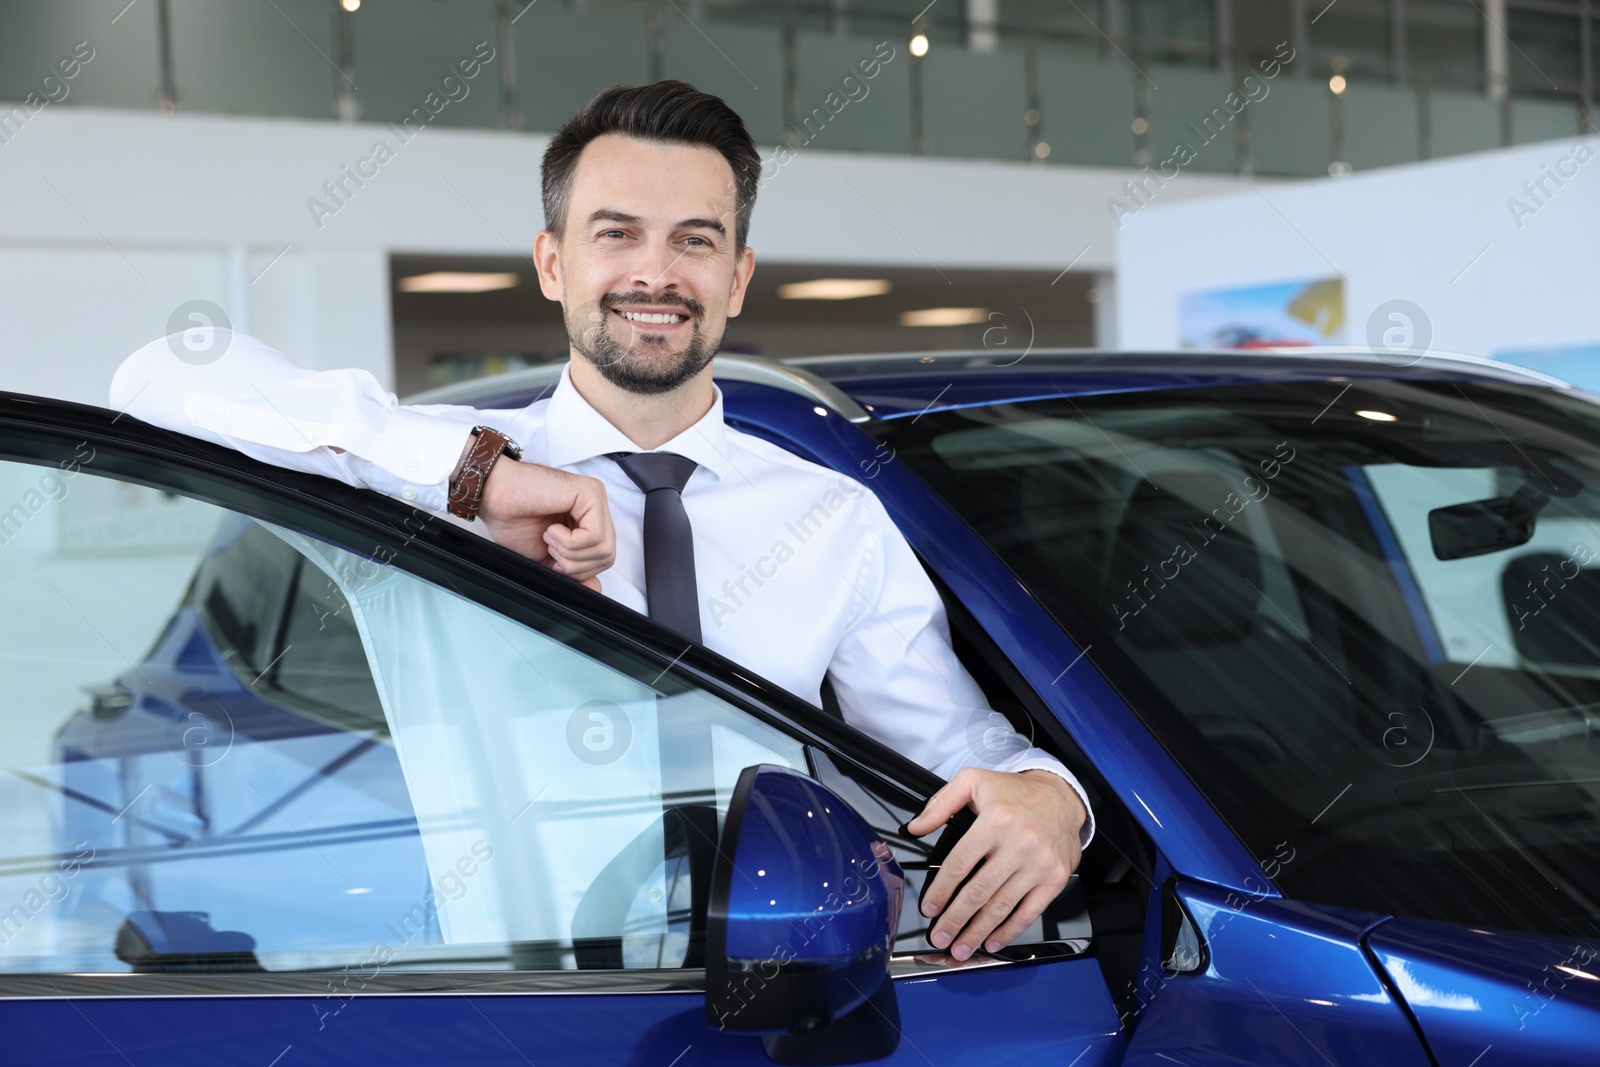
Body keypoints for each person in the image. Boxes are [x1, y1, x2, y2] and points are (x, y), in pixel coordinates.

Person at [111, 80, 1091, 963]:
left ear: (738, 275)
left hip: (777, 998)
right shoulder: (431, 477)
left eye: (694, 240)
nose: (655, 274)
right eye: (614, 233)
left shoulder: (829, 516)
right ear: (552, 262)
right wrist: (474, 478)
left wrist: (1053, 796)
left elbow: (956, 746)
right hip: (529, 1012)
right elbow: (159, 377)